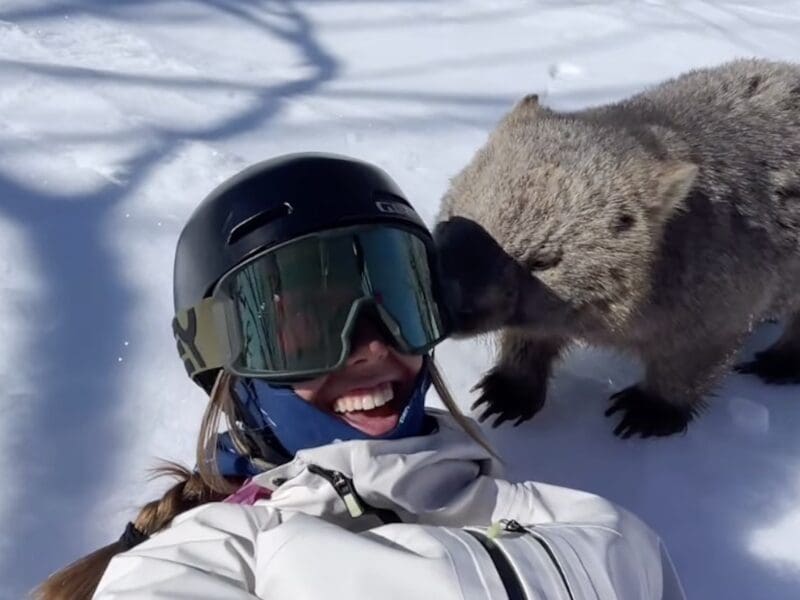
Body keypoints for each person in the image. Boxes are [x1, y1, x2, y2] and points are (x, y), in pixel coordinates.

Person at [35, 153, 685, 599]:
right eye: (309, 329)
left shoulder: (585, 524)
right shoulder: (205, 554)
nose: (373, 347)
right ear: (229, 362)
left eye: (400, 307)